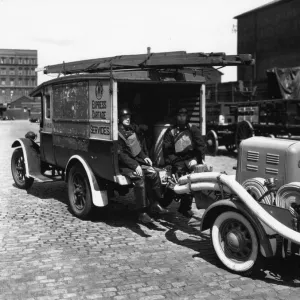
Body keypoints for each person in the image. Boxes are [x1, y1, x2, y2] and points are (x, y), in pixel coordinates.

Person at [118, 108, 169, 224]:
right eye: (125, 117)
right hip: (124, 165)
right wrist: (136, 166)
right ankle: (142, 213)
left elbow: (136, 147)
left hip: (135, 162)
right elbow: (121, 155)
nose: (127, 119)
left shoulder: (130, 130)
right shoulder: (117, 132)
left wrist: (144, 156)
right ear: (120, 119)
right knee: (139, 179)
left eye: (129, 117)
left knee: (154, 173)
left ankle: (155, 204)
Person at [163, 107, 206, 218]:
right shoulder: (171, 131)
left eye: (184, 116)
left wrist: (196, 159)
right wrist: (176, 162)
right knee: (179, 178)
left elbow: (201, 146)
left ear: (186, 117)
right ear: (176, 117)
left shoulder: (193, 129)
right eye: (179, 116)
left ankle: (185, 207)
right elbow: (167, 150)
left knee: (194, 180)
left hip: (191, 159)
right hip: (176, 160)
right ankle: (164, 203)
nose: (181, 118)